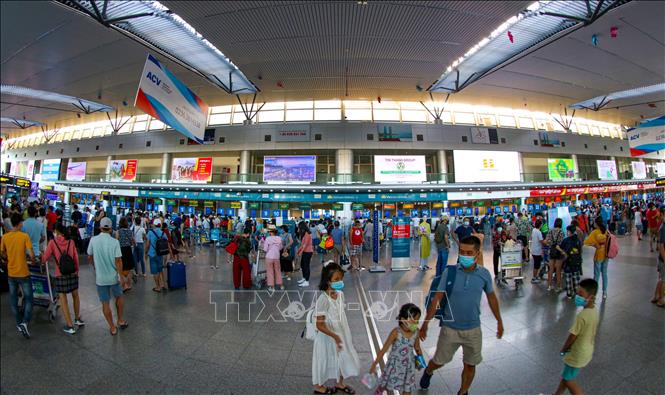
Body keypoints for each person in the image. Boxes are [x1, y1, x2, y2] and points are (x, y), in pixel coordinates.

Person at [419, 236, 503, 393]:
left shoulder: (484, 274)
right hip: (450, 329)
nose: (464, 256)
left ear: (477, 254)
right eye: (462, 252)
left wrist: (499, 321)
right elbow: (437, 298)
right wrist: (425, 324)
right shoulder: (449, 273)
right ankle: (429, 371)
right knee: (439, 361)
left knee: (470, 365)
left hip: (473, 329)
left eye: (469, 252)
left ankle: (463, 391)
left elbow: (491, 297)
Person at [312, 262, 360, 394]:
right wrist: (335, 335)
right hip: (327, 335)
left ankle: (340, 383)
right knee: (324, 358)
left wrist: (341, 334)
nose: (340, 282)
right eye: (336, 279)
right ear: (328, 281)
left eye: (341, 278)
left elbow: (340, 314)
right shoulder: (323, 300)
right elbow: (319, 324)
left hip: (340, 331)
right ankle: (318, 386)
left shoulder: (340, 294)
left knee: (343, 355)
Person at [553, 279, 599, 395]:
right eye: (577, 293)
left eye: (581, 294)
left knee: (569, 380)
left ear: (591, 297)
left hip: (577, 352)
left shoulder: (582, 316)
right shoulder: (594, 311)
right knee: (566, 376)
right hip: (587, 350)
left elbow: (572, 336)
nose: (577, 297)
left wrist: (564, 348)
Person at [370, 303, 423, 395]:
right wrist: (374, 364)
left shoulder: (416, 332)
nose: (416, 323)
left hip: (408, 367)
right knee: (385, 383)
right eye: (414, 320)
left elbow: (417, 348)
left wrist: (420, 362)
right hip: (394, 365)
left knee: (407, 389)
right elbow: (384, 350)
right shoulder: (396, 332)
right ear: (403, 319)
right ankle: (379, 391)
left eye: (417, 321)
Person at [87, 217, 128, 336]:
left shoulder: (93, 240)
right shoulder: (114, 242)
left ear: (100, 227)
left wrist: (96, 265)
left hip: (101, 278)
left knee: (105, 303)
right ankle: (120, 320)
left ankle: (112, 327)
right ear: (111, 229)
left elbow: (89, 257)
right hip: (114, 278)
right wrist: (121, 276)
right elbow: (118, 261)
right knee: (119, 297)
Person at [42, 223, 84, 334]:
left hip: (60, 275)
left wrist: (41, 256)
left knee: (63, 299)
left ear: (56, 231)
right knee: (75, 295)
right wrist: (76, 272)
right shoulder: (71, 242)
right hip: (72, 273)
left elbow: (44, 258)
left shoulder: (52, 243)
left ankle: (70, 326)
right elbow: (76, 259)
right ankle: (77, 319)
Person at [0, 214, 37, 338]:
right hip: (23, 273)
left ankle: (18, 322)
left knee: (13, 299)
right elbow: (31, 254)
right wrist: (33, 261)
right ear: (20, 223)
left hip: (11, 273)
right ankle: (25, 322)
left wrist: (8, 259)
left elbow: (2, 253)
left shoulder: (5, 237)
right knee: (29, 299)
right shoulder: (24, 236)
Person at [584, 217, 609, 300]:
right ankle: (604, 292)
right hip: (606, 254)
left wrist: (595, 244)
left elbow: (586, 242)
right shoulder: (606, 231)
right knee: (604, 273)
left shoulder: (595, 232)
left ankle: (594, 293)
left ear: (596, 223)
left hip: (599, 254)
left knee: (596, 274)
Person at [557, 225, 583, 300]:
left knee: (568, 278)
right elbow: (579, 250)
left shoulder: (566, 240)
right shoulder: (578, 240)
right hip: (577, 262)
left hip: (568, 261)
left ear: (569, 232)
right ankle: (576, 292)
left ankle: (569, 293)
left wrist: (559, 249)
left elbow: (562, 249)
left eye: (567, 231)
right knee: (576, 278)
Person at [146, 219, 168, 292]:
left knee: (155, 272)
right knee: (160, 269)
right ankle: (163, 285)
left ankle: (157, 286)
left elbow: (148, 244)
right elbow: (166, 242)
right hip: (160, 254)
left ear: (154, 225)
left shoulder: (150, 232)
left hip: (152, 254)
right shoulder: (162, 233)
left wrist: (145, 253)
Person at [115, 216, 136, 292]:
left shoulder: (118, 231)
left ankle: (124, 285)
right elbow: (133, 241)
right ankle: (129, 284)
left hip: (121, 250)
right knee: (130, 268)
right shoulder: (130, 231)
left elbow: (116, 241)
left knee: (122, 267)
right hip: (128, 249)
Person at [545, 218, 565, 292]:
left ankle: (549, 286)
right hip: (559, 252)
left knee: (550, 269)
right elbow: (562, 243)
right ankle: (559, 286)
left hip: (551, 251)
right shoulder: (561, 232)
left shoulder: (550, 231)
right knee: (558, 270)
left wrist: (550, 244)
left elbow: (546, 241)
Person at [263, 226, 283, 292]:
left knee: (270, 272)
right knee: (278, 271)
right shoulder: (279, 238)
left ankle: (272, 287)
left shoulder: (268, 239)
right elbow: (280, 248)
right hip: (277, 257)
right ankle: (281, 285)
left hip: (269, 257)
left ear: (270, 232)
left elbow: (265, 249)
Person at [652, 206, 665, 307]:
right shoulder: (664, 227)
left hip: (661, 258)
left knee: (661, 278)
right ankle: (661, 300)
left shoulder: (662, 225)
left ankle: (656, 296)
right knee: (664, 279)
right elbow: (661, 246)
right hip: (663, 258)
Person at [296, 223, 314, 287]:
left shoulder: (307, 234)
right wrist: (299, 251)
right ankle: (304, 278)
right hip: (305, 252)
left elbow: (305, 245)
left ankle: (307, 281)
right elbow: (302, 244)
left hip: (308, 252)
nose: (298, 229)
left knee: (306, 266)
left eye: (299, 227)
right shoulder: (304, 234)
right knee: (302, 265)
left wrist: (300, 252)